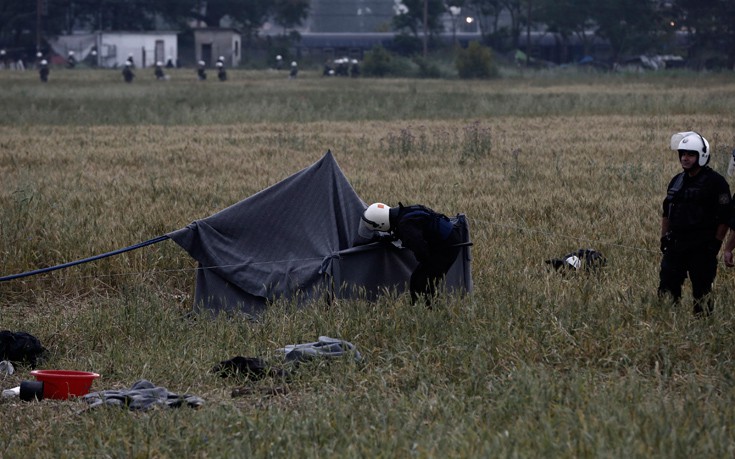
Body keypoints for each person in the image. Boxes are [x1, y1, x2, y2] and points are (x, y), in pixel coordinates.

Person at [658, 131, 731, 316]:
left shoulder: (717, 183)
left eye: (690, 154)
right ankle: (669, 324)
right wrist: (663, 237)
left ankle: (703, 329)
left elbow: (725, 217)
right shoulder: (676, 180)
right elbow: (666, 211)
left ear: (702, 156)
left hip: (702, 247)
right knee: (666, 289)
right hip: (675, 245)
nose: (685, 158)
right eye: (682, 154)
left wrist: (715, 244)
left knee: (702, 295)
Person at [359, 202, 462, 306]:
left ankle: (430, 310)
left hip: (448, 245)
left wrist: (426, 262)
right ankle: (421, 308)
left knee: (424, 282)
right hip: (449, 239)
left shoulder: (405, 225)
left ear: (381, 224)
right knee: (418, 280)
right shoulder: (402, 214)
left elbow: (420, 248)